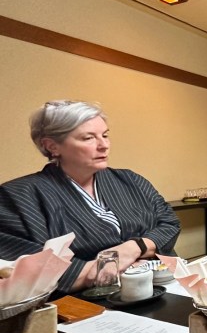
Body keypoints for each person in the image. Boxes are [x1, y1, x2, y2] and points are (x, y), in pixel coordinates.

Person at [0, 100, 181, 294]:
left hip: (163, 284)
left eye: (105, 135)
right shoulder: (17, 197)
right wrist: (102, 269)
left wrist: (133, 248)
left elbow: (169, 223)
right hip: (88, 301)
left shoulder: (130, 180)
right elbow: (28, 269)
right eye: (88, 138)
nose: (104, 145)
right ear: (52, 146)